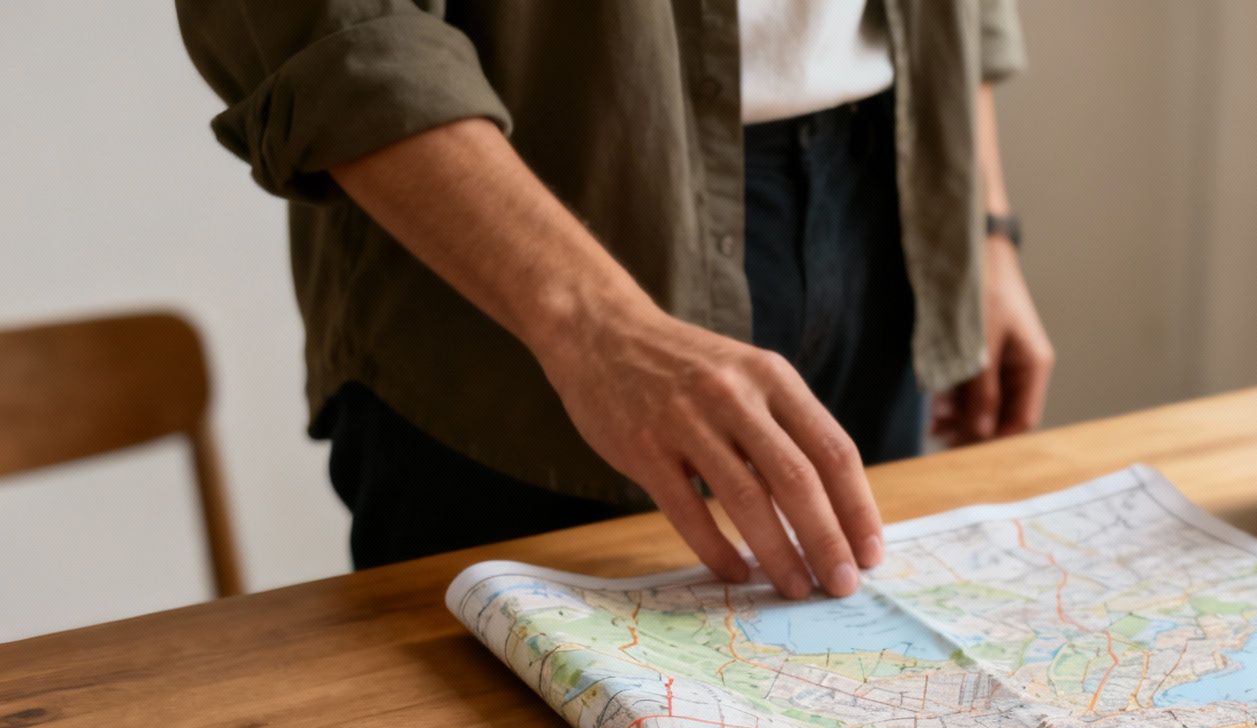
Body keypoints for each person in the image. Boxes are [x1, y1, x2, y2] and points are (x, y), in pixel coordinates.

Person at [175, 1, 1053, 599]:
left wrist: (983, 227)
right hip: (517, 260)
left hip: (884, 214)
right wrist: (597, 328)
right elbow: (337, 24)